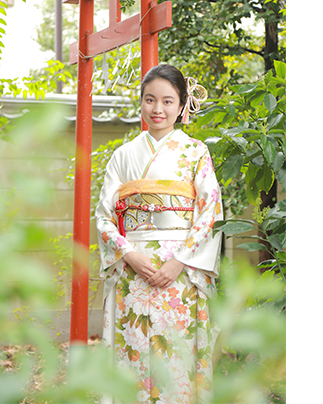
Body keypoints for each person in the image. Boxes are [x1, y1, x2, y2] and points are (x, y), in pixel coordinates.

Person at [95, 64, 223, 404]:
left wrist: (180, 261)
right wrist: (128, 254)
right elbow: (104, 217)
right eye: (149, 99)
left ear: (182, 106)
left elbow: (210, 212)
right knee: (132, 354)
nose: (157, 109)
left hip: (180, 271)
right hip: (133, 271)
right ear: (141, 102)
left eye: (168, 101)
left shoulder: (196, 153)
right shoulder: (123, 156)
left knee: (177, 357)